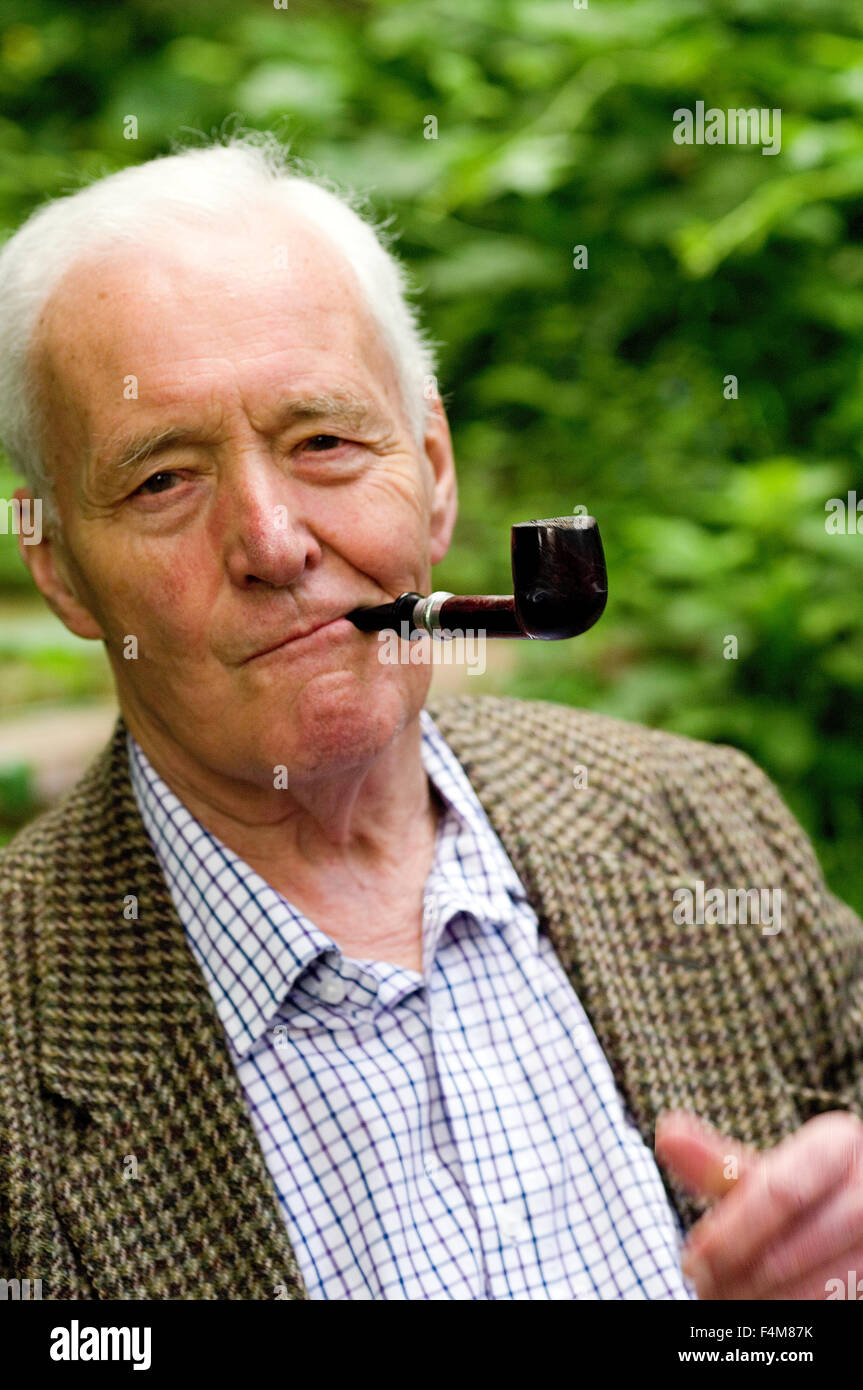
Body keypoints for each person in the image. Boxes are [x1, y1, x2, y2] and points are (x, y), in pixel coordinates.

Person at [1, 133, 861, 1302]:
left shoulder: (696, 816)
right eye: (163, 480)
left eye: (323, 441)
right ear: (57, 566)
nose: (272, 542)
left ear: (434, 468)